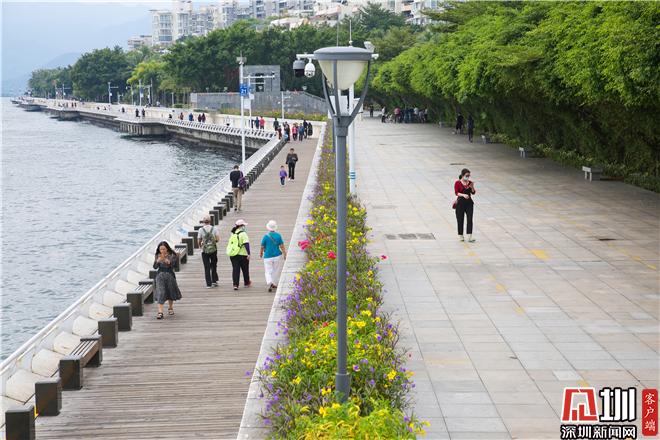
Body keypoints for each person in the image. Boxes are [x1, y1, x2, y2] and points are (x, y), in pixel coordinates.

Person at [153, 241, 182, 319]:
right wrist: (157, 261)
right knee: (160, 292)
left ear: (167, 248)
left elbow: (175, 266)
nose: (162, 251)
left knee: (170, 291)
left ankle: (170, 307)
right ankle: (160, 312)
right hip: (160, 275)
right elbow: (155, 267)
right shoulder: (157, 255)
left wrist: (168, 262)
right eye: (161, 249)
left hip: (169, 275)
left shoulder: (172, 255)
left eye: (164, 249)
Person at [260, 220, 287, 292]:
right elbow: (282, 246)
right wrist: (285, 253)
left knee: (268, 271)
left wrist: (261, 253)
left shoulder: (265, 236)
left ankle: (269, 281)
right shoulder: (278, 235)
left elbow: (262, 246)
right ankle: (274, 283)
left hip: (268, 256)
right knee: (276, 270)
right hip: (277, 255)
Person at [227, 219, 251, 290]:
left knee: (235, 269)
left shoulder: (233, 233)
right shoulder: (243, 234)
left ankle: (235, 284)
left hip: (233, 254)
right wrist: (248, 253)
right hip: (242, 254)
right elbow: (246, 244)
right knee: (245, 269)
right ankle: (246, 283)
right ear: (241, 226)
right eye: (244, 225)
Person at [198, 215, 220, 289]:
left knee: (206, 267)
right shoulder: (214, 228)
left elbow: (199, 240)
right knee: (213, 265)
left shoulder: (201, 230)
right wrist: (213, 243)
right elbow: (217, 239)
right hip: (213, 250)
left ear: (203, 222)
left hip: (204, 251)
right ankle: (214, 281)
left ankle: (208, 284)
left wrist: (201, 246)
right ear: (210, 221)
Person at [454, 168, 476, 242]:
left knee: (470, 219)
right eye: (466, 175)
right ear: (463, 175)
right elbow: (456, 193)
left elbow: (473, 192)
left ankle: (469, 236)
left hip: (469, 203)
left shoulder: (470, 183)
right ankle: (461, 235)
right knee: (460, 219)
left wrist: (472, 187)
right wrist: (463, 195)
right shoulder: (457, 183)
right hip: (460, 203)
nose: (468, 177)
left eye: (469, 176)